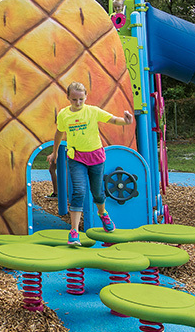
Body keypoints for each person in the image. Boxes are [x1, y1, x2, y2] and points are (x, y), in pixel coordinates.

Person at [47, 82, 134, 245]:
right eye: (74, 99)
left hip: (96, 157)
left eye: (81, 99)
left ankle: (103, 214)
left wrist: (125, 121)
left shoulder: (92, 111)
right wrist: (55, 151)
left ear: (86, 97)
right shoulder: (64, 115)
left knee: (98, 193)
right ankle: (74, 231)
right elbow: (59, 133)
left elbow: (113, 119)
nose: (78, 103)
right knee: (79, 191)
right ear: (68, 98)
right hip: (76, 157)